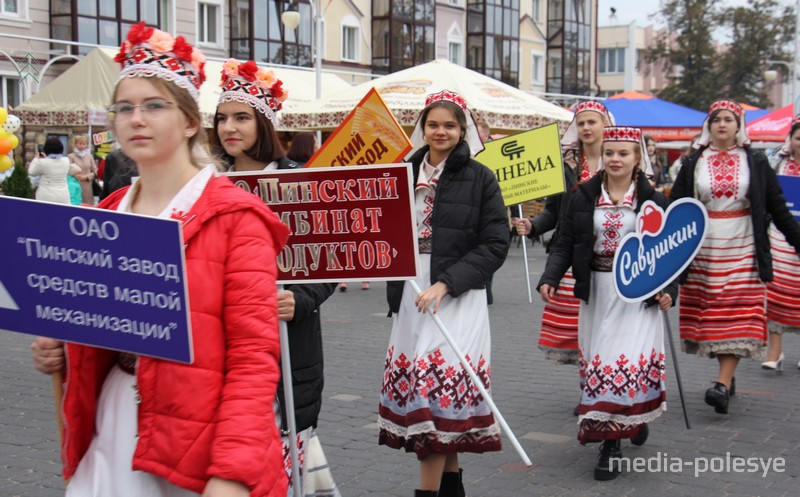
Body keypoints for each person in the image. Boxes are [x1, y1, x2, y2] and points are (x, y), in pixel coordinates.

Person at [30, 22, 290, 497]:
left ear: (190, 121)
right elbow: (97, 327)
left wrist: (231, 474)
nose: (135, 119)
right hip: (113, 429)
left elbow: (253, 360)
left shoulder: (236, 218)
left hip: (198, 442)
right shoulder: (106, 215)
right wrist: (62, 345)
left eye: (154, 105)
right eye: (124, 108)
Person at [214, 58, 339, 497]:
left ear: (264, 123)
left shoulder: (298, 182)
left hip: (288, 342)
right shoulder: (209, 186)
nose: (229, 127)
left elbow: (329, 262)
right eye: (222, 118)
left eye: (242, 117)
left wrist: (299, 300)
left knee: (286, 452)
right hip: (225, 341)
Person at [379, 90, 509, 497]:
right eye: (433, 124)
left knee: (430, 393)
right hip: (410, 291)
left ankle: (426, 494)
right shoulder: (401, 170)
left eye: (450, 125)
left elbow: (495, 243)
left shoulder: (481, 177)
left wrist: (447, 282)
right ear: (422, 127)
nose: (440, 131)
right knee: (432, 396)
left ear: (462, 129)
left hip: (456, 295)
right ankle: (452, 486)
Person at [537, 126, 674, 481]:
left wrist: (668, 289)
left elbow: (670, 254)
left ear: (637, 158)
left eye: (623, 153)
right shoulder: (583, 196)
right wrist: (550, 277)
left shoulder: (652, 200)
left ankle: (611, 443)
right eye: (610, 152)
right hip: (596, 291)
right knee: (601, 361)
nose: (615, 159)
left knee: (623, 361)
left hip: (636, 296)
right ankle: (626, 421)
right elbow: (566, 241)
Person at [670, 99, 800, 415]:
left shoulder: (755, 161)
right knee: (714, 320)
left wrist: (798, 239)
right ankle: (727, 378)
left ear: (738, 125)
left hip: (744, 246)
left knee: (740, 314)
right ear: (709, 125)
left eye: (729, 119)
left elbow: (777, 207)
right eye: (716, 119)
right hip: (704, 250)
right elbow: (674, 208)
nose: (722, 124)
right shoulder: (693, 162)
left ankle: (721, 382)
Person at [514, 101, 613, 370]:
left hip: (612, 252)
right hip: (572, 254)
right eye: (581, 123)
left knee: (608, 322)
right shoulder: (566, 165)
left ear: (606, 125)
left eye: (592, 122)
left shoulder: (618, 160)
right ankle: (589, 386)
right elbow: (554, 213)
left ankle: (602, 384)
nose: (586, 128)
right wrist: (531, 225)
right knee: (578, 325)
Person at [761, 114, 800, 371]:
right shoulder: (776, 162)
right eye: (799, 137)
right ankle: (774, 352)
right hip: (781, 233)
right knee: (775, 291)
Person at [28, 137, 81, 204]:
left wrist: (37, 158)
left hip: (45, 196)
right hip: (63, 196)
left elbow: (31, 172)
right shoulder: (66, 160)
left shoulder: (42, 162)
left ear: (46, 149)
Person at [67, 134, 98, 204]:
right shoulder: (71, 156)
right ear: (75, 144)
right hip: (75, 184)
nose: (82, 146)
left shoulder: (89, 156)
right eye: (80, 143)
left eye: (84, 144)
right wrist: (78, 177)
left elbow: (95, 170)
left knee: (88, 205)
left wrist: (88, 176)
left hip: (87, 185)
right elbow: (69, 171)